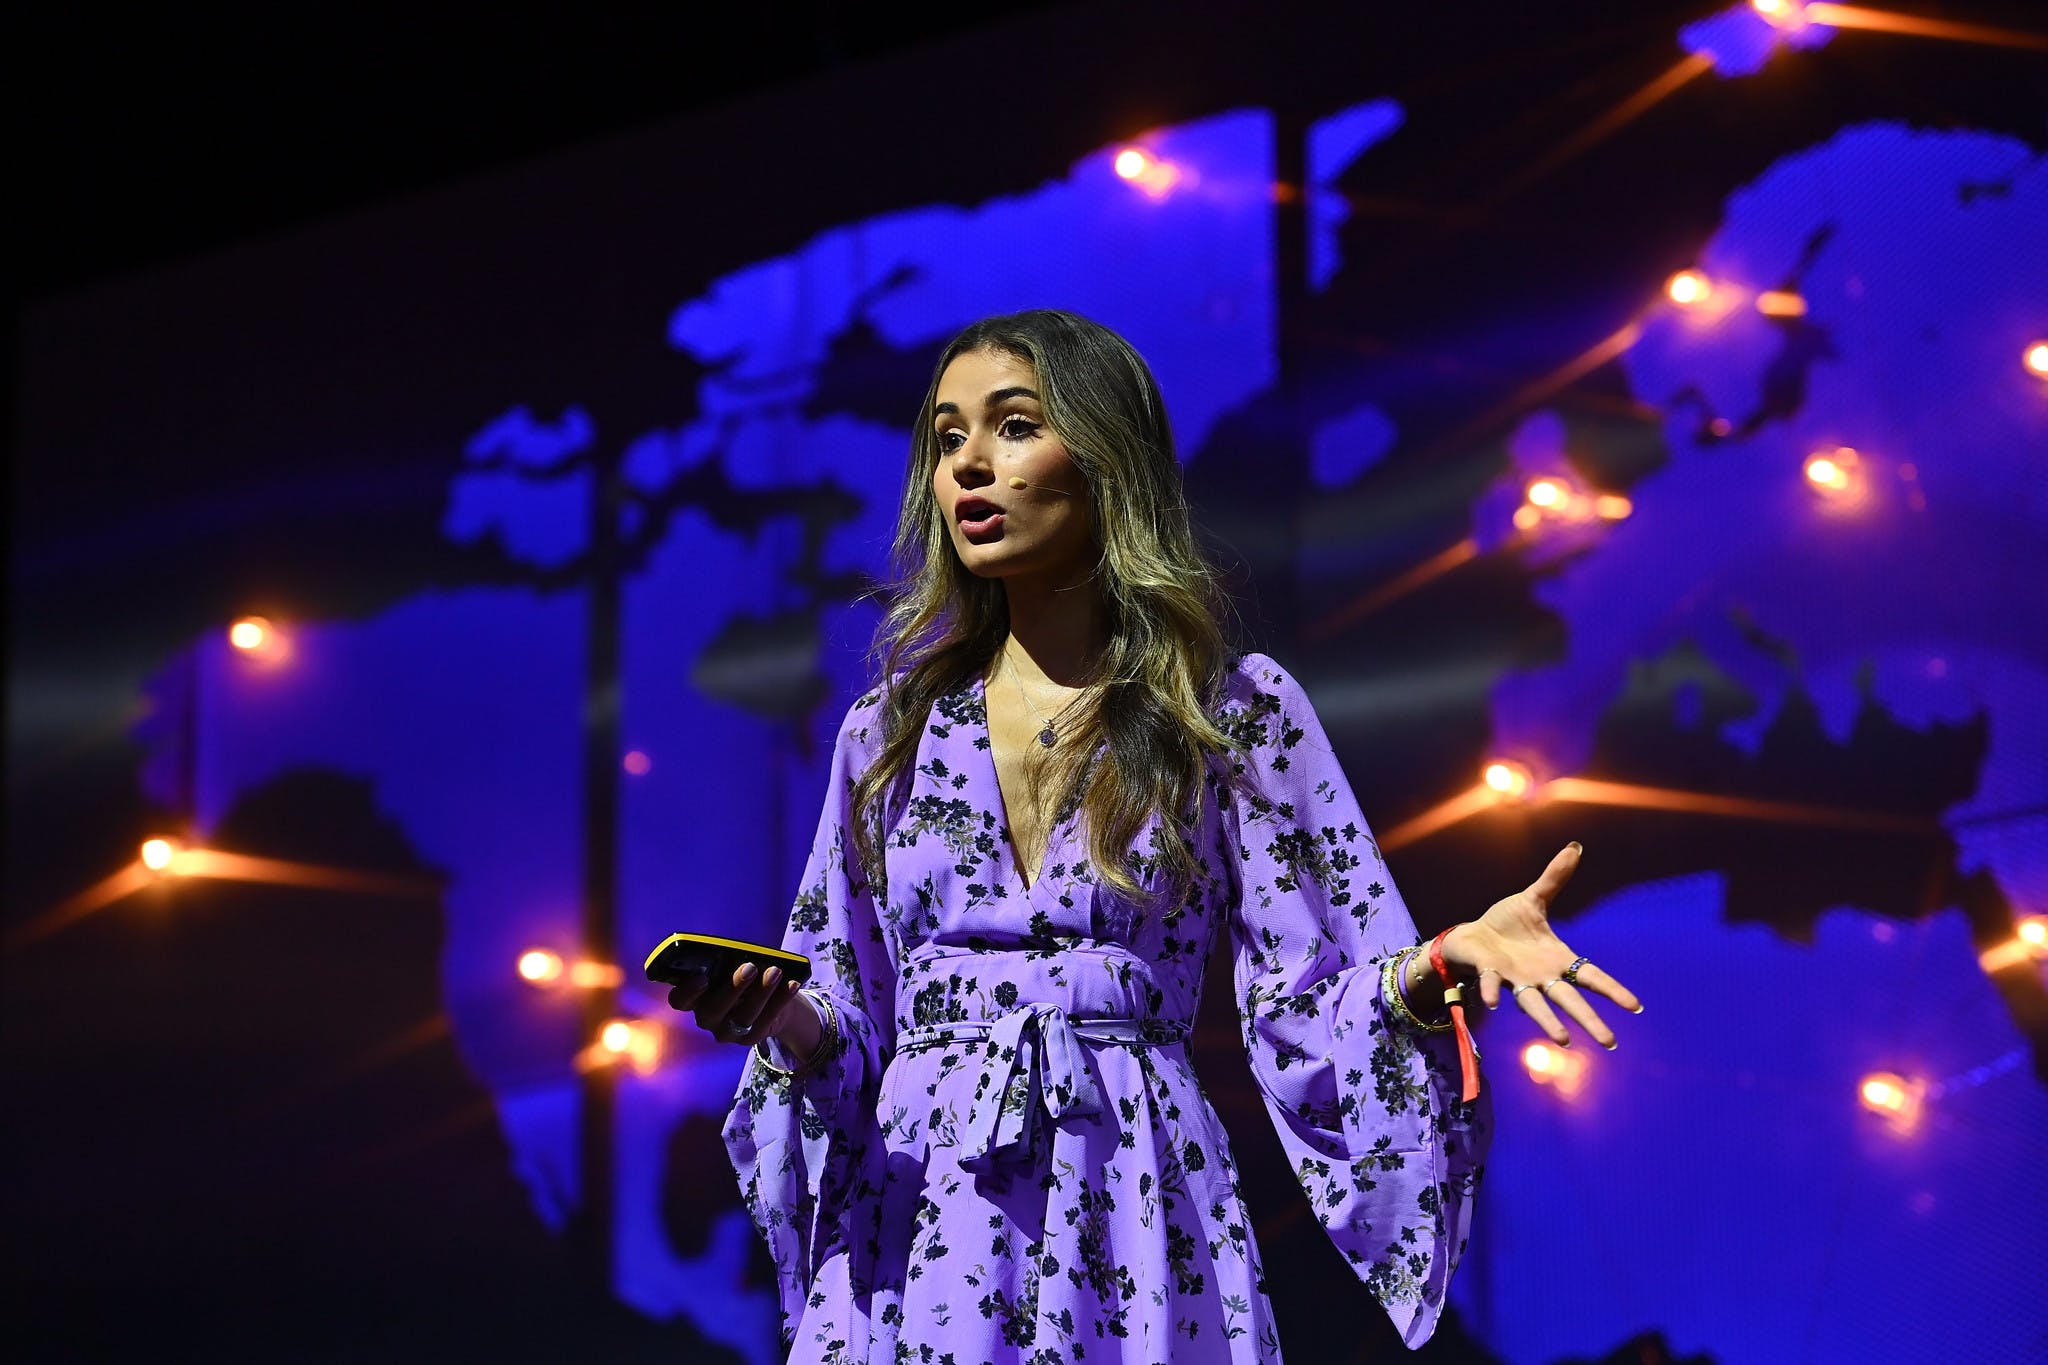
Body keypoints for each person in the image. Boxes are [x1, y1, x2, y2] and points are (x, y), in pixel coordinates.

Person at [667, 309, 1641, 1363]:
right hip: (923, 1219)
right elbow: (847, 1029)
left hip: (1127, 1192)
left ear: (1102, 455)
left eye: (1012, 426)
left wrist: (1436, 964)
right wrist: (781, 1019)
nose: (970, 468)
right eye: (947, 440)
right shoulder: (886, 735)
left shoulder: (1222, 713)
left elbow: (1312, 1000)